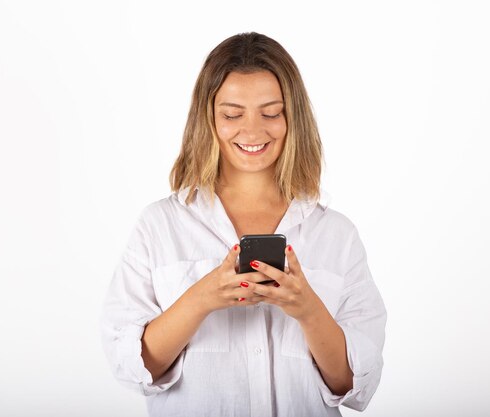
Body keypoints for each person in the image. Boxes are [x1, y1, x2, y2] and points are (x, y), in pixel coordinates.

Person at [101, 32, 386, 417]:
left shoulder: (336, 235)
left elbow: (353, 387)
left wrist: (307, 310)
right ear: (209, 118)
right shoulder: (159, 226)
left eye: (271, 113)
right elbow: (132, 369)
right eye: (233, 115)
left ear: (293, 117)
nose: (252, 132)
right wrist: (201, 298)